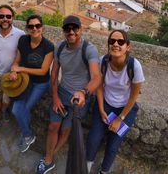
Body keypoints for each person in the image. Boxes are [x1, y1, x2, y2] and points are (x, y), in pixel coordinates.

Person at [36, 15, 102, 174]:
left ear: (80, 30)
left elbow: (97, 77)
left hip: (80, 99)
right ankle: (49, 158)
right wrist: (56, 97)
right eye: (67, 28)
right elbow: (54, 74)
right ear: (63, 31)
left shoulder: (89, 49)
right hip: (62, 93)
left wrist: (84, 92)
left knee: (66, 130)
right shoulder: (59, 48)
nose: (71, 32)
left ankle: (49, 157)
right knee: (53, 126)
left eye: (74, 28)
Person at [86, 30, 145, 174]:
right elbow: (99, 86)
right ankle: (85, 168)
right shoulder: (103, 62)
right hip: (105, 104)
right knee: (93, 140)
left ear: (128, 46)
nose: (116, 45)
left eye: (121, 42)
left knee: (113, 146)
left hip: (125, 109)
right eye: (112, 41)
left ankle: (104, 171)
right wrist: (100, 108)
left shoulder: (134, 66)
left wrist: (120, 118)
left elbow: (133, 96)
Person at [10, 14, 54, 153]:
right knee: (16, 110)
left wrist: (21, 68)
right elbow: (17, 59)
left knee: (25, 108)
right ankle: (28, 134)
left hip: (41, 83)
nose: (34, 28)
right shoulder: (23, 40)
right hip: (25, 81)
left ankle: (27, 133)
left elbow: (43, 71)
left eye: (37, 26)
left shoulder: (48, 46)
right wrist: (14, 70)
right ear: (27, 28)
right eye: (31, 26)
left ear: (42, 27)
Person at [0, 5, 25, 138]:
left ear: (13, 18)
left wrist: (17, 70)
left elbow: (22, 54)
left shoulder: (20, 34)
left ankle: (4, 111)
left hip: (10, 75)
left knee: (6, 98)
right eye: (1, 16)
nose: (5, 19)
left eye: (8, 16)